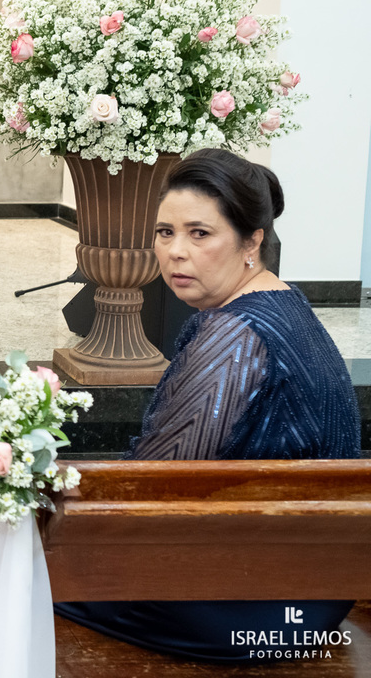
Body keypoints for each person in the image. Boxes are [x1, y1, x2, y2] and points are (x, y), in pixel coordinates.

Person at [54, 148, 361, 661]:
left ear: (251, 242)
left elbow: (151, 486)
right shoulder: (285, 302)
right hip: (310, 590)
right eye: (164, 232)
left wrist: (43, 487)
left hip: (247, 606)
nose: (175, 252)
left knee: (26, 565)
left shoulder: (233, 335)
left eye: (200, 234)